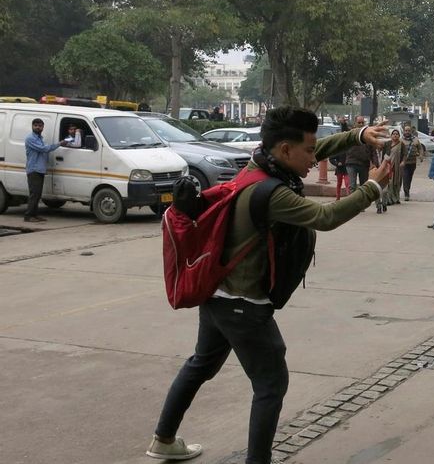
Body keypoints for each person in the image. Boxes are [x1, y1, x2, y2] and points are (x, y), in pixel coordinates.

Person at [146, 106, 391, 464]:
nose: (314, 156)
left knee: (201, 364)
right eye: (308, 150)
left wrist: (356, 135)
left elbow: (314, 151)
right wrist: (371, 187)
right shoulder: (272, 194)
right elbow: (325, 217)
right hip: (244, 306)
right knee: (271, 385)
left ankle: (163, 439)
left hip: (216, 297)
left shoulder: (258, 164)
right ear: (286, 150)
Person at [24, 119, 68, 222]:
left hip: (40, 169)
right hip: (34, 169)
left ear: (43, 127)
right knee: (34, 194)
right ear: (32, 126)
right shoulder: (30, 138)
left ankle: (34, 215)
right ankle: (28, 216)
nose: (38, 128)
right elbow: (44, 149)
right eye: (36, 126)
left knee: (37, 194)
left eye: (40, 126)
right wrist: (59, 144)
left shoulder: (40, 138)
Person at [345, 116, 372, 193]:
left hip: (364, 164)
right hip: (351, 163)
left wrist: (375, 163)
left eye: (362, 123)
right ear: (355, 123)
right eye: (359, 122)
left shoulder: (368, 135)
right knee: (352, 186)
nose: (361, 124)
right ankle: (351, 203)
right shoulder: (350, 133)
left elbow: (372, 150)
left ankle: (362, 203)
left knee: (363, 187)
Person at [400, 124, 423, 201]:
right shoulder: (400, 140)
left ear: (411, 131)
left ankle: (407, 189)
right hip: (404, 163)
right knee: (405, 177)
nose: (407, 132)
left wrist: (421, 155)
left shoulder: (415, 140)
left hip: (413, 163)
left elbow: (420, 148)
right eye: (406, 130)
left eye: (408, 130)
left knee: (409, 177)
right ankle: (406, 194)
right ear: (403, 131)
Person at [385, 129, 403, 206]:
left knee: (397, 182)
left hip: (398, 167)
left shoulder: (401, 144)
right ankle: (389, 199)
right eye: (393, 134)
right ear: (391, 135)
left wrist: (403, 162)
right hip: (389, 166)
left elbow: (404, 155)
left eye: (397, 134)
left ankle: (396, 198)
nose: (395, 135)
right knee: (390, 183)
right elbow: (384, 154)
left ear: (399, 136)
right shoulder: (387, 144)